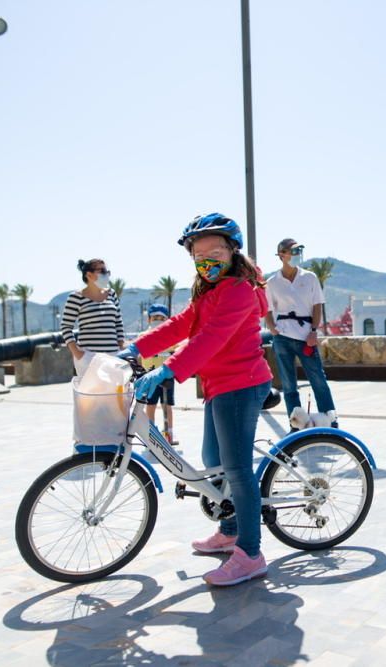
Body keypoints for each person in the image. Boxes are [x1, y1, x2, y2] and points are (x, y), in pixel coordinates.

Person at [121, 213, 273, 586]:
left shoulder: (239, 289)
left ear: (232, 251)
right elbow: (181, 325)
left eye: (215, 252)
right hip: (219, 385)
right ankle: (232, 528)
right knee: (214, 462)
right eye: (198, 255)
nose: (207, 261)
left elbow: (212, 339)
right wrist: (135, 349)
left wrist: (168, 370)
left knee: (237, 471)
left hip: (242, 384)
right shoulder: (207, 291)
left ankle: (251, 554)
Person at [264, 238, 338, 430]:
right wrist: (273, 329)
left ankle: (331, 421)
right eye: (294, 251)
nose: (298, 255)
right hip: (282, 338)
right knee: (289, 386)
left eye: (299, 251)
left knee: (318, 381)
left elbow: (317, 305)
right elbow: (267, 309)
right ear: (282, 255)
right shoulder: (272, 282)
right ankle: (296, 425)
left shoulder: (310, 277)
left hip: (307, 337)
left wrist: (314, 330)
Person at [61, 258, 126, 366]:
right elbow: (66, 327)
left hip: (114, 356)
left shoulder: (111, 294)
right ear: (89, 275)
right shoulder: (76, 297)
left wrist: (121, 347)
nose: (106, 274)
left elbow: (118, 323)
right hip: (88, 357)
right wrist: (77, 353)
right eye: (102, 271)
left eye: (107, 271)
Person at [139, 304, 177, 445]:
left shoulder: (171, 336)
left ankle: (169, 433)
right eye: (155, 317)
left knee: (167, 405)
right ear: (149, 319)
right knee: (151, 405)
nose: (158, 320)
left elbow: (176, 349)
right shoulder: (143, 335)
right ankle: (151, 435)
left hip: (167, 376)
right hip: (150, 376)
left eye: (162, 318)